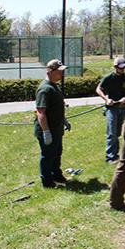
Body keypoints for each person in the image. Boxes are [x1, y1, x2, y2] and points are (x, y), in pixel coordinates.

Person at [34, 59, 71, 188]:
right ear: (50, 71)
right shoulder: (45, 89)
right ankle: (47, 182)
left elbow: (57, 106)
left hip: (57, 128)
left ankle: (57, 175)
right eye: (59, 72)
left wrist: (64, 120)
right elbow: (41, 113)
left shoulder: (55, 86)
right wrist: (46, 131)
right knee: (48, 156)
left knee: (57, 153)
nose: (62, 74)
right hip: (48, 129)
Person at [96, 57, 125, 163]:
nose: (123, 69)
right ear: (115, 67)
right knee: (111, 132)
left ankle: (115, 154)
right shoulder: (109, 78)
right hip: (111, 108)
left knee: (118, 132)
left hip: (122, 108)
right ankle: (109, 157)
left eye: (124, 67)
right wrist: (106, 99)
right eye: (120, 67)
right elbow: (98, 89)